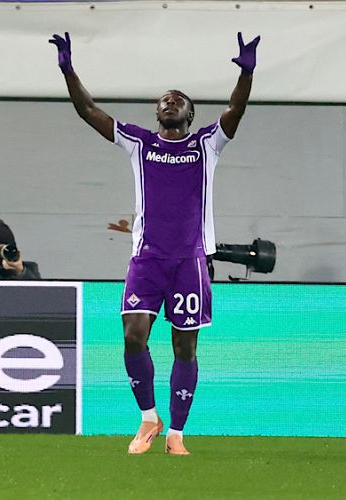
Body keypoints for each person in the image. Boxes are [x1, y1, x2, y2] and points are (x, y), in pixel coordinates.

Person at [49, 31, 260, 455]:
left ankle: (176, 434)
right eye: (165, 99)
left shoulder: (207, 144)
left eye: (178, 99)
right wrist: (69, 70)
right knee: (133, 337)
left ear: (190, 113)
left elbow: (235, 109)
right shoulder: (139, 143)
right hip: (146, 260)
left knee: (184, 346)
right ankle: (149, 418)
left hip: (189, 261)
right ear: (157, 112)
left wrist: (246, 75)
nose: (170, 101)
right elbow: (89, 111)